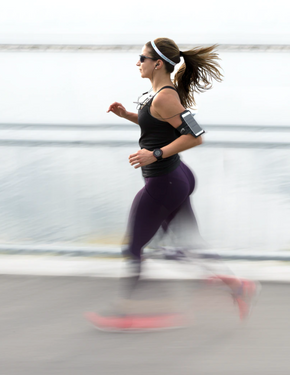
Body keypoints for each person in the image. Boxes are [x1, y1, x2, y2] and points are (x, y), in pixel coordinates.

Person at [87, 38, 259, 331]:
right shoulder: (160, 94)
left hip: (165, 182)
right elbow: (159, 124)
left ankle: (124, 314)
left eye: (141, 58)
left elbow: (195, 136)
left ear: (157, 63)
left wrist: (154, 154)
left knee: (133, 248)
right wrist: (127, 115)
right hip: (176, 178)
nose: (137, 63)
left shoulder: (165, 96)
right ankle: (237, 286)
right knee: (187, 245)